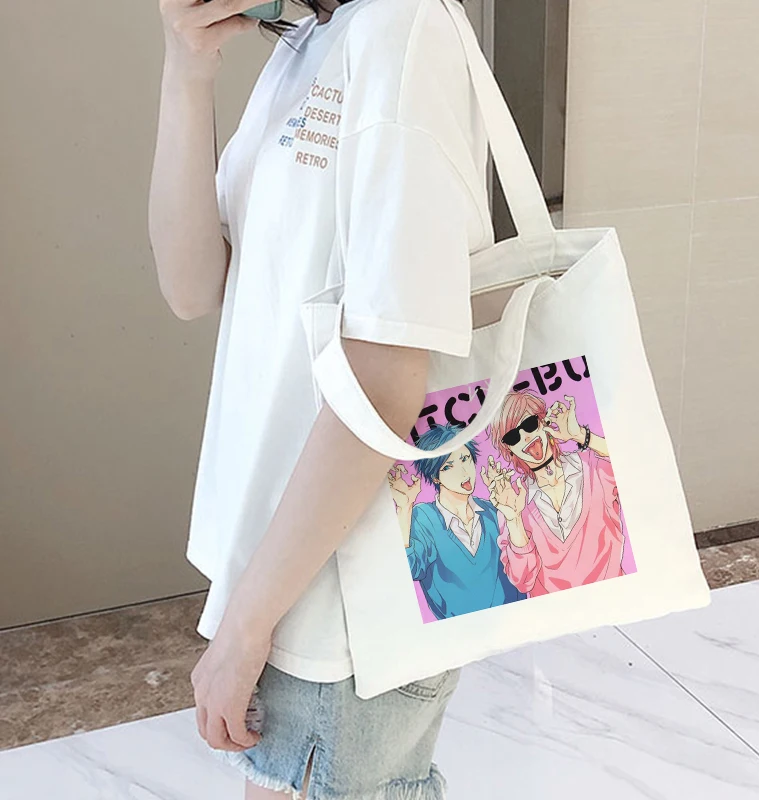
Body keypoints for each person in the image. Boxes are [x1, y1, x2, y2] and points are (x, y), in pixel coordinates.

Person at [148, 0, 494, 798]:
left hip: (350, 587)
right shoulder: (312, 41)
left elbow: (384, 380)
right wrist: (186, 70)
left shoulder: (403, 30)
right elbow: (191, 284)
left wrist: (247, 625)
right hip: (293, 561)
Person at [485, 389, 626, 597]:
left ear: (543, 422)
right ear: (509, 450)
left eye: (529, 424)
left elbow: (633, 465)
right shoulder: (513, 501)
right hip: (559, 612)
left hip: (617, 598)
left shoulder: (593, 467)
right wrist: (514, 520)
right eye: (513, 437)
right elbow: (523, 582)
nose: (526, 437)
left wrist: (580, 435)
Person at [388, 424, 526, 620]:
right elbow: (410, 570)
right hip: (459, 630)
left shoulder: (493, 510)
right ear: (435, 477)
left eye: (465, 459)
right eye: (448, 467)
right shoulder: (423, 517)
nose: (463, 472)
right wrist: (404, 509)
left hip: (513, 620)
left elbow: (521, 575)